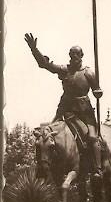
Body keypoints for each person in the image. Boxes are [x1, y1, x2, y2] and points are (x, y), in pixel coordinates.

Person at [24, 33, 104, 179]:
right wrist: (34, 50)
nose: (73, 57)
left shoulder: (88, 73)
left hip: (84, 112)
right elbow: (45, 64)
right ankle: (43, 166)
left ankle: (97, 168)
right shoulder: (65, 70)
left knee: (92, 137)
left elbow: (97, 90)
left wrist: (98, 92)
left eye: (76, 54)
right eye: (71, 54)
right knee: (46, 135)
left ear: (81, 56)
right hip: (65, 110)